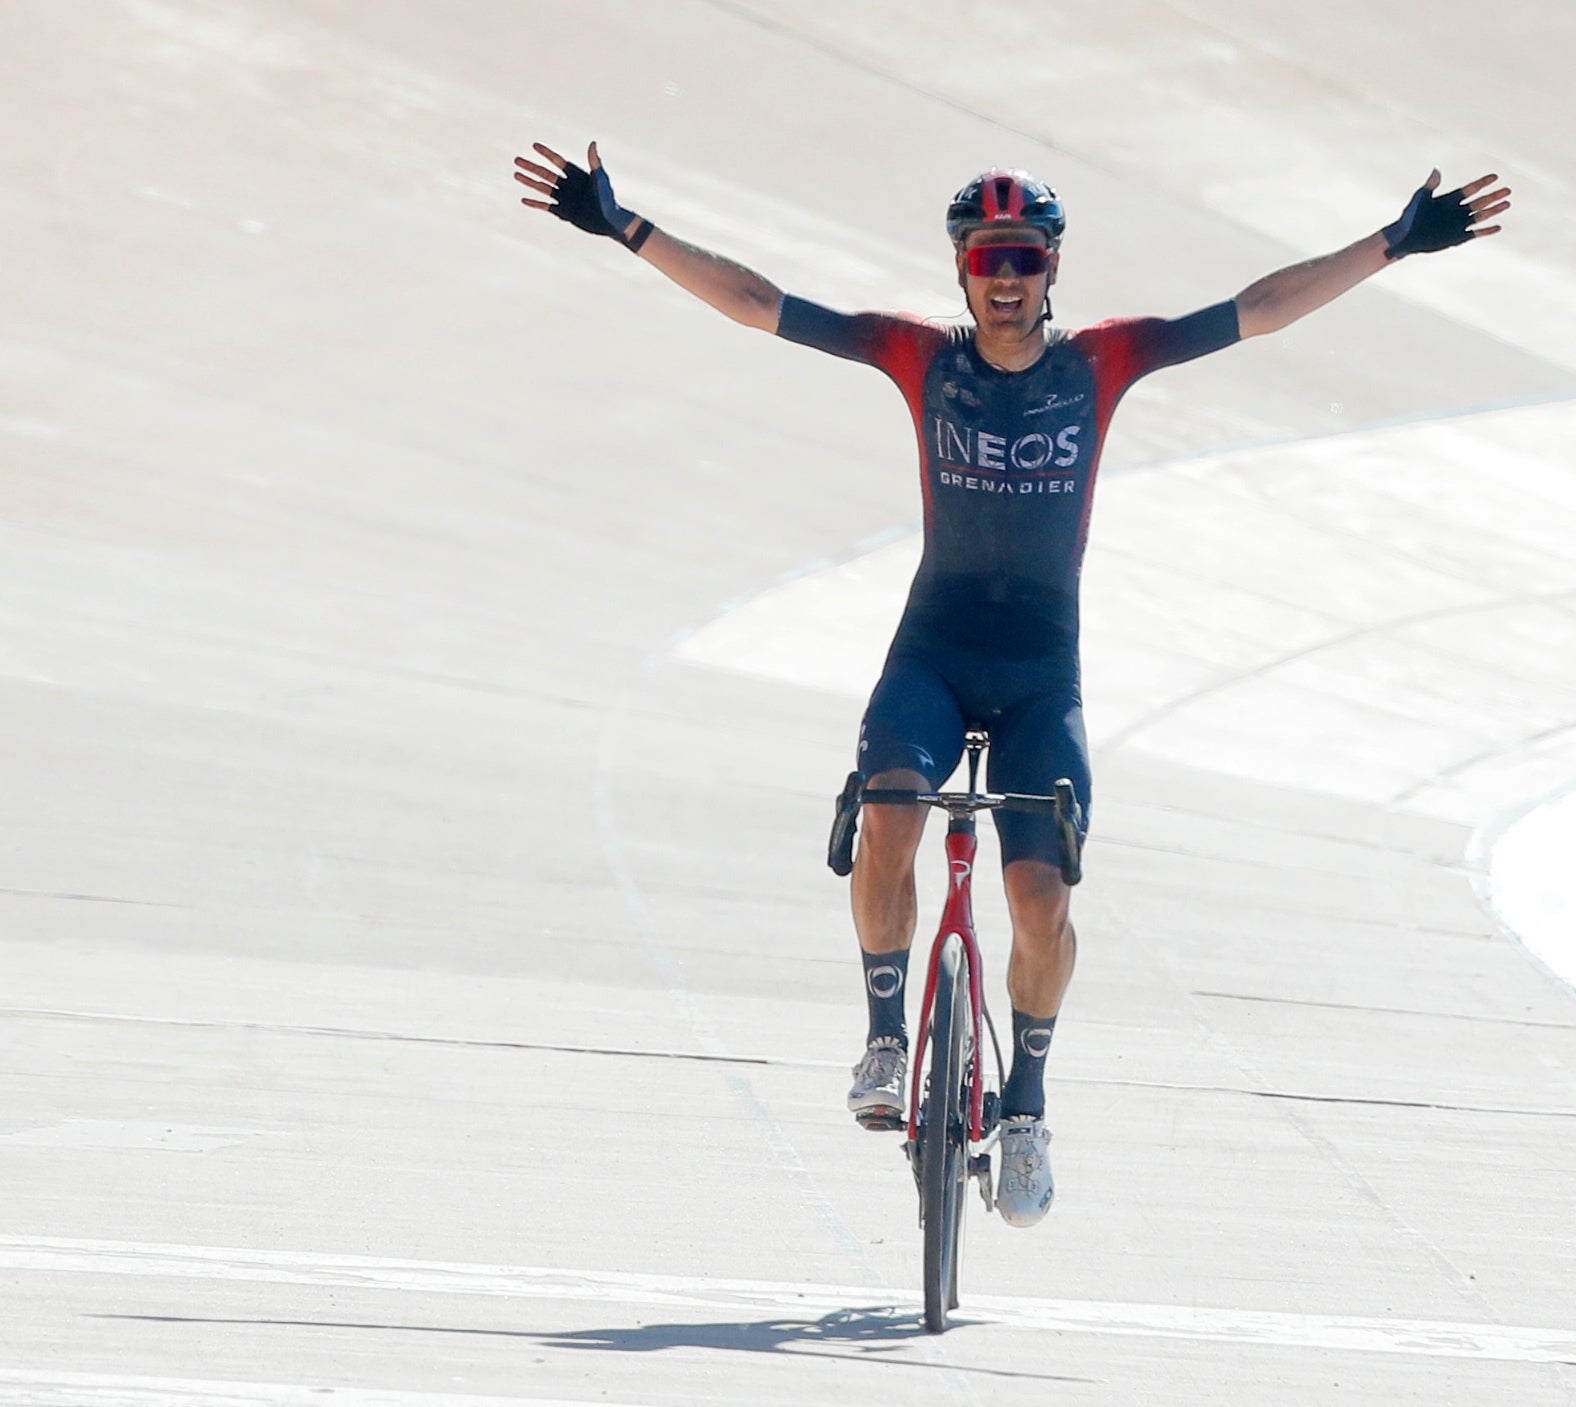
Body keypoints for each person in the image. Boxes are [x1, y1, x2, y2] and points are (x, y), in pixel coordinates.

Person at [514, 142, 1508, 1228]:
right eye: (988, 256)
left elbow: (1256, 310)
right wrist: (628, 227)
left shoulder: (1102, 363)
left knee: (1040, 900)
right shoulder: (918, 359)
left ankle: (1025, 1107)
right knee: (889, 815)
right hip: (933, 657)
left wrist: (1390, 245)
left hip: (1041, 679)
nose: (1006, 276)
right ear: (959, 267)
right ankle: (887, 1037)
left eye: (1025, 258)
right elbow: (760, 304)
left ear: (1051, 268)